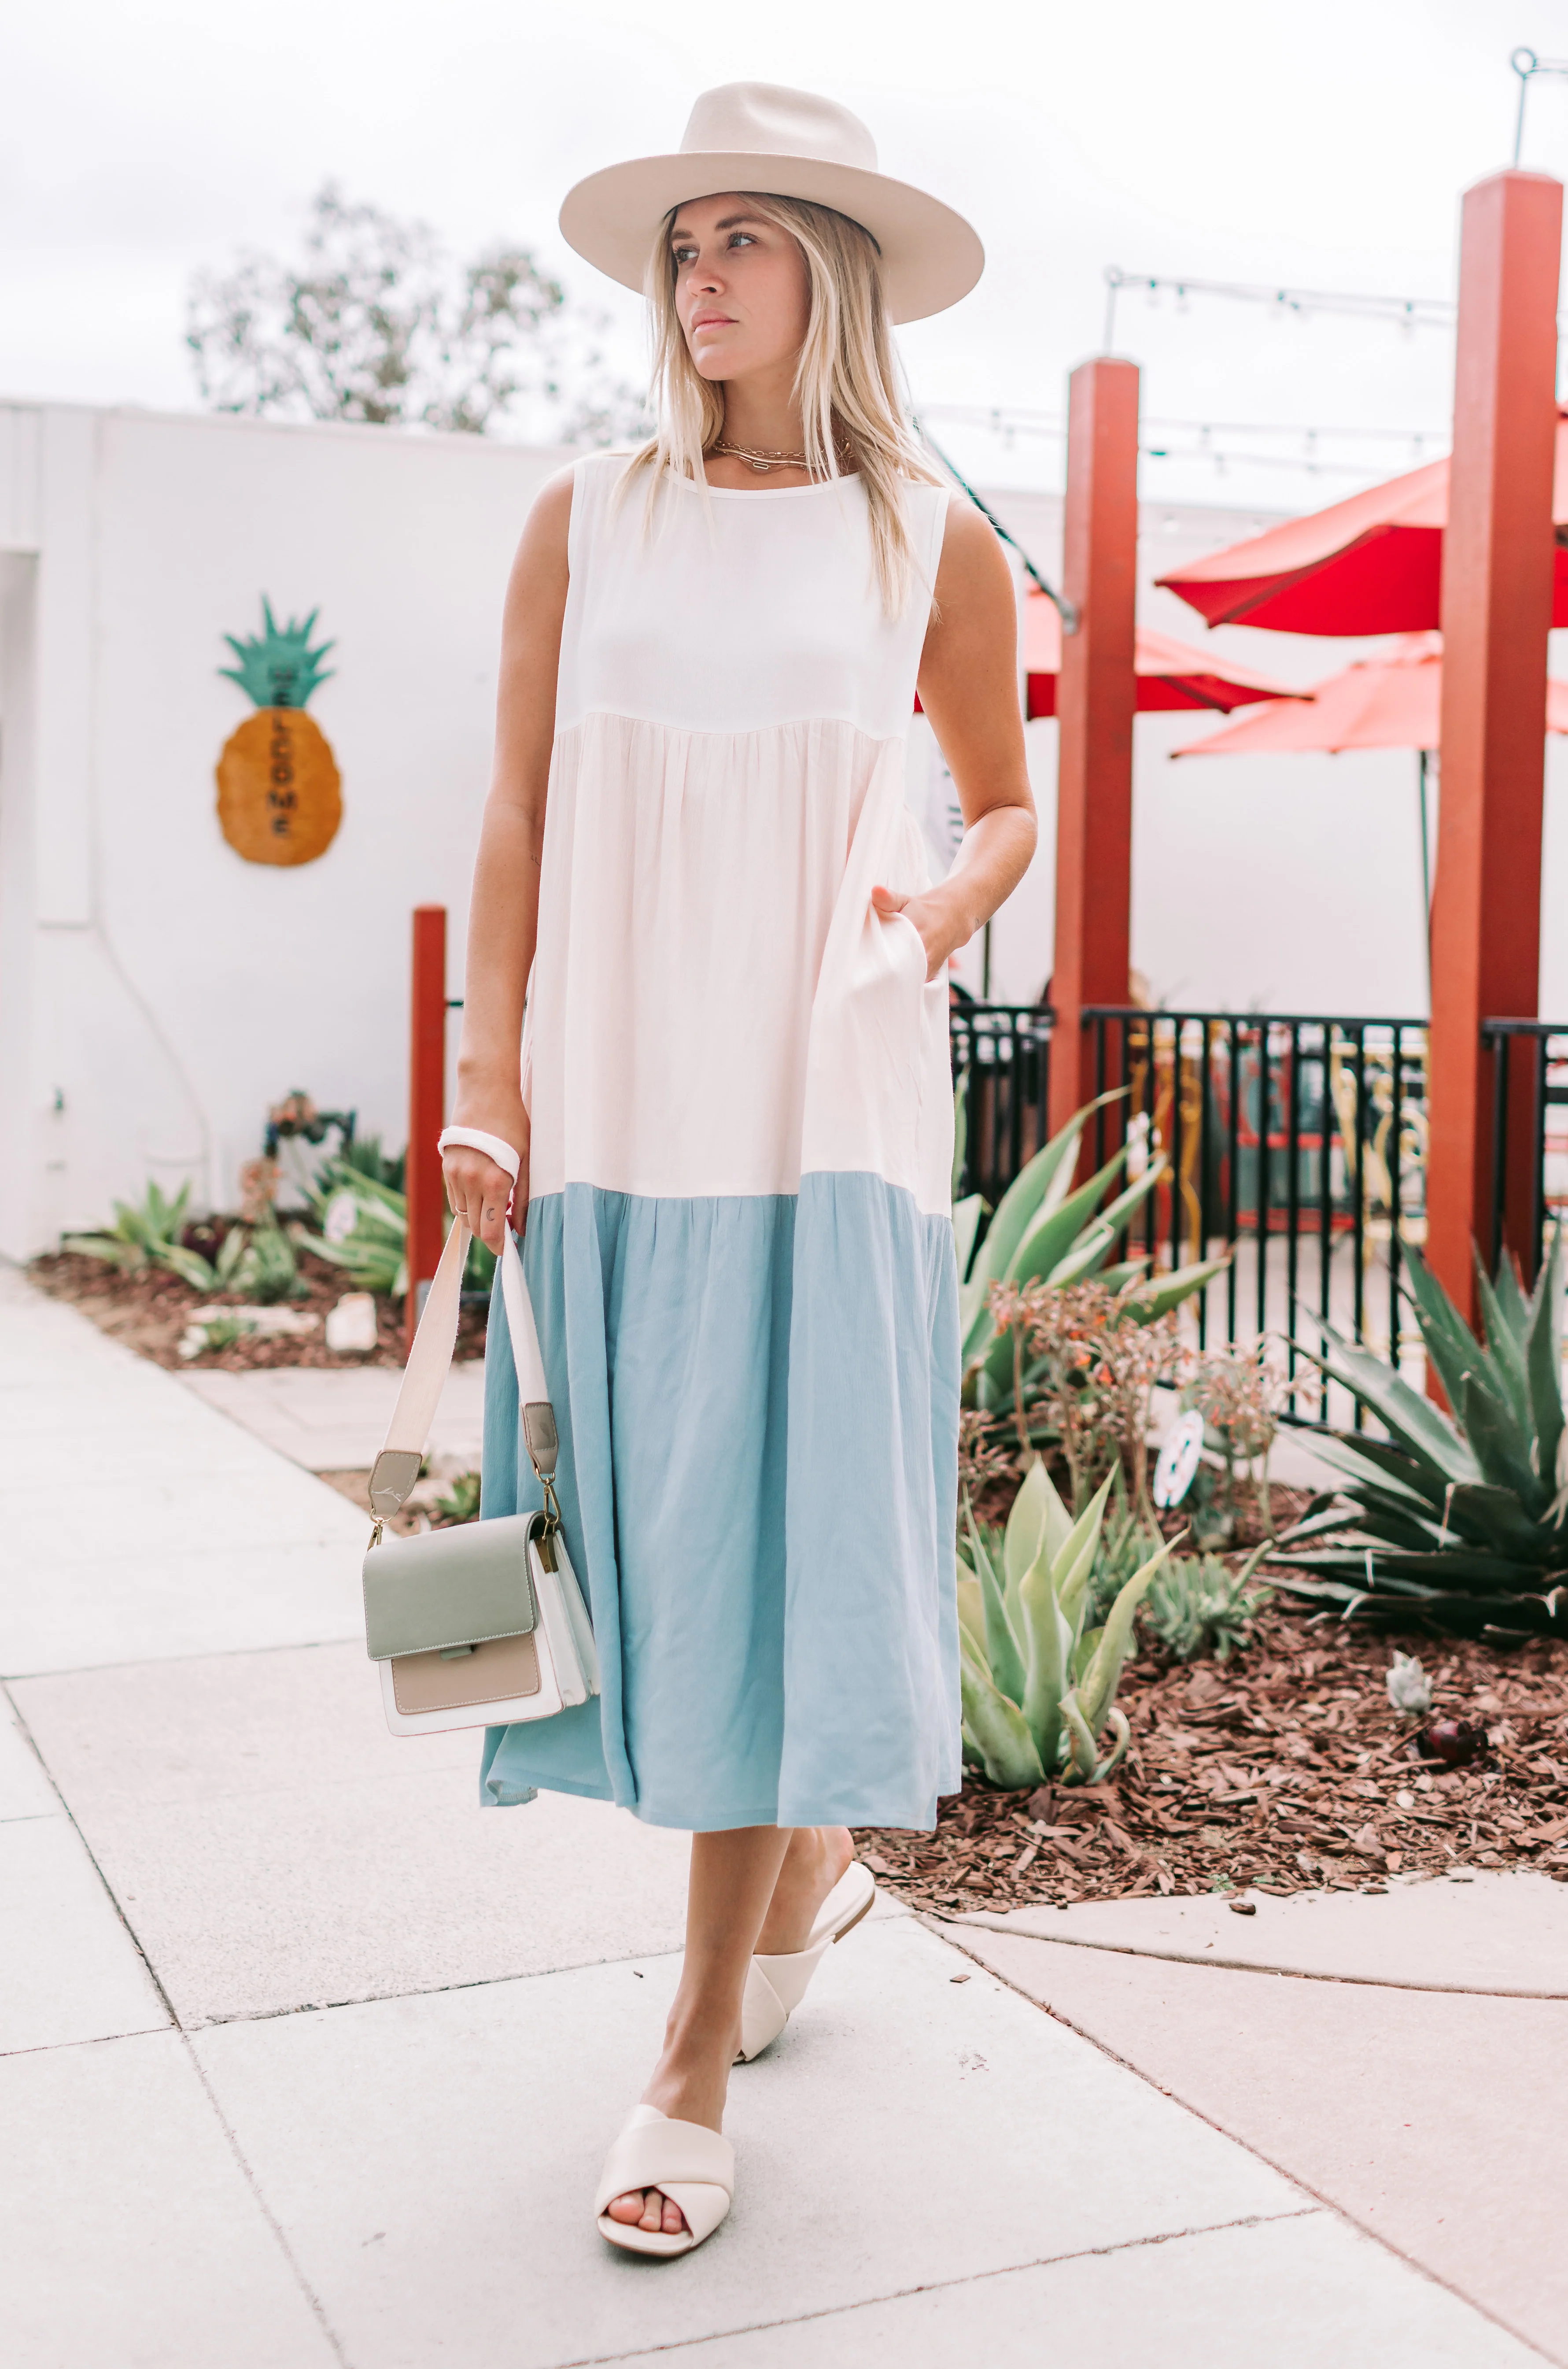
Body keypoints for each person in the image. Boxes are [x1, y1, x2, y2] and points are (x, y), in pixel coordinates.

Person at [441, 81, 1035, 2258]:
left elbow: (1003, 804)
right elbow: (511, 809)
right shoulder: (585, 518)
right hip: (618, 1106)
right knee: (664, 1553)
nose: (697, 278)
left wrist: (925, 924)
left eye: (741, 240)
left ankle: (690, 2047)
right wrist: (489, 1076)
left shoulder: (922, 538)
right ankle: (794, 1879)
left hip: (820, 1107)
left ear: (828, 274)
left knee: (771, 1544)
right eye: (680, 243)